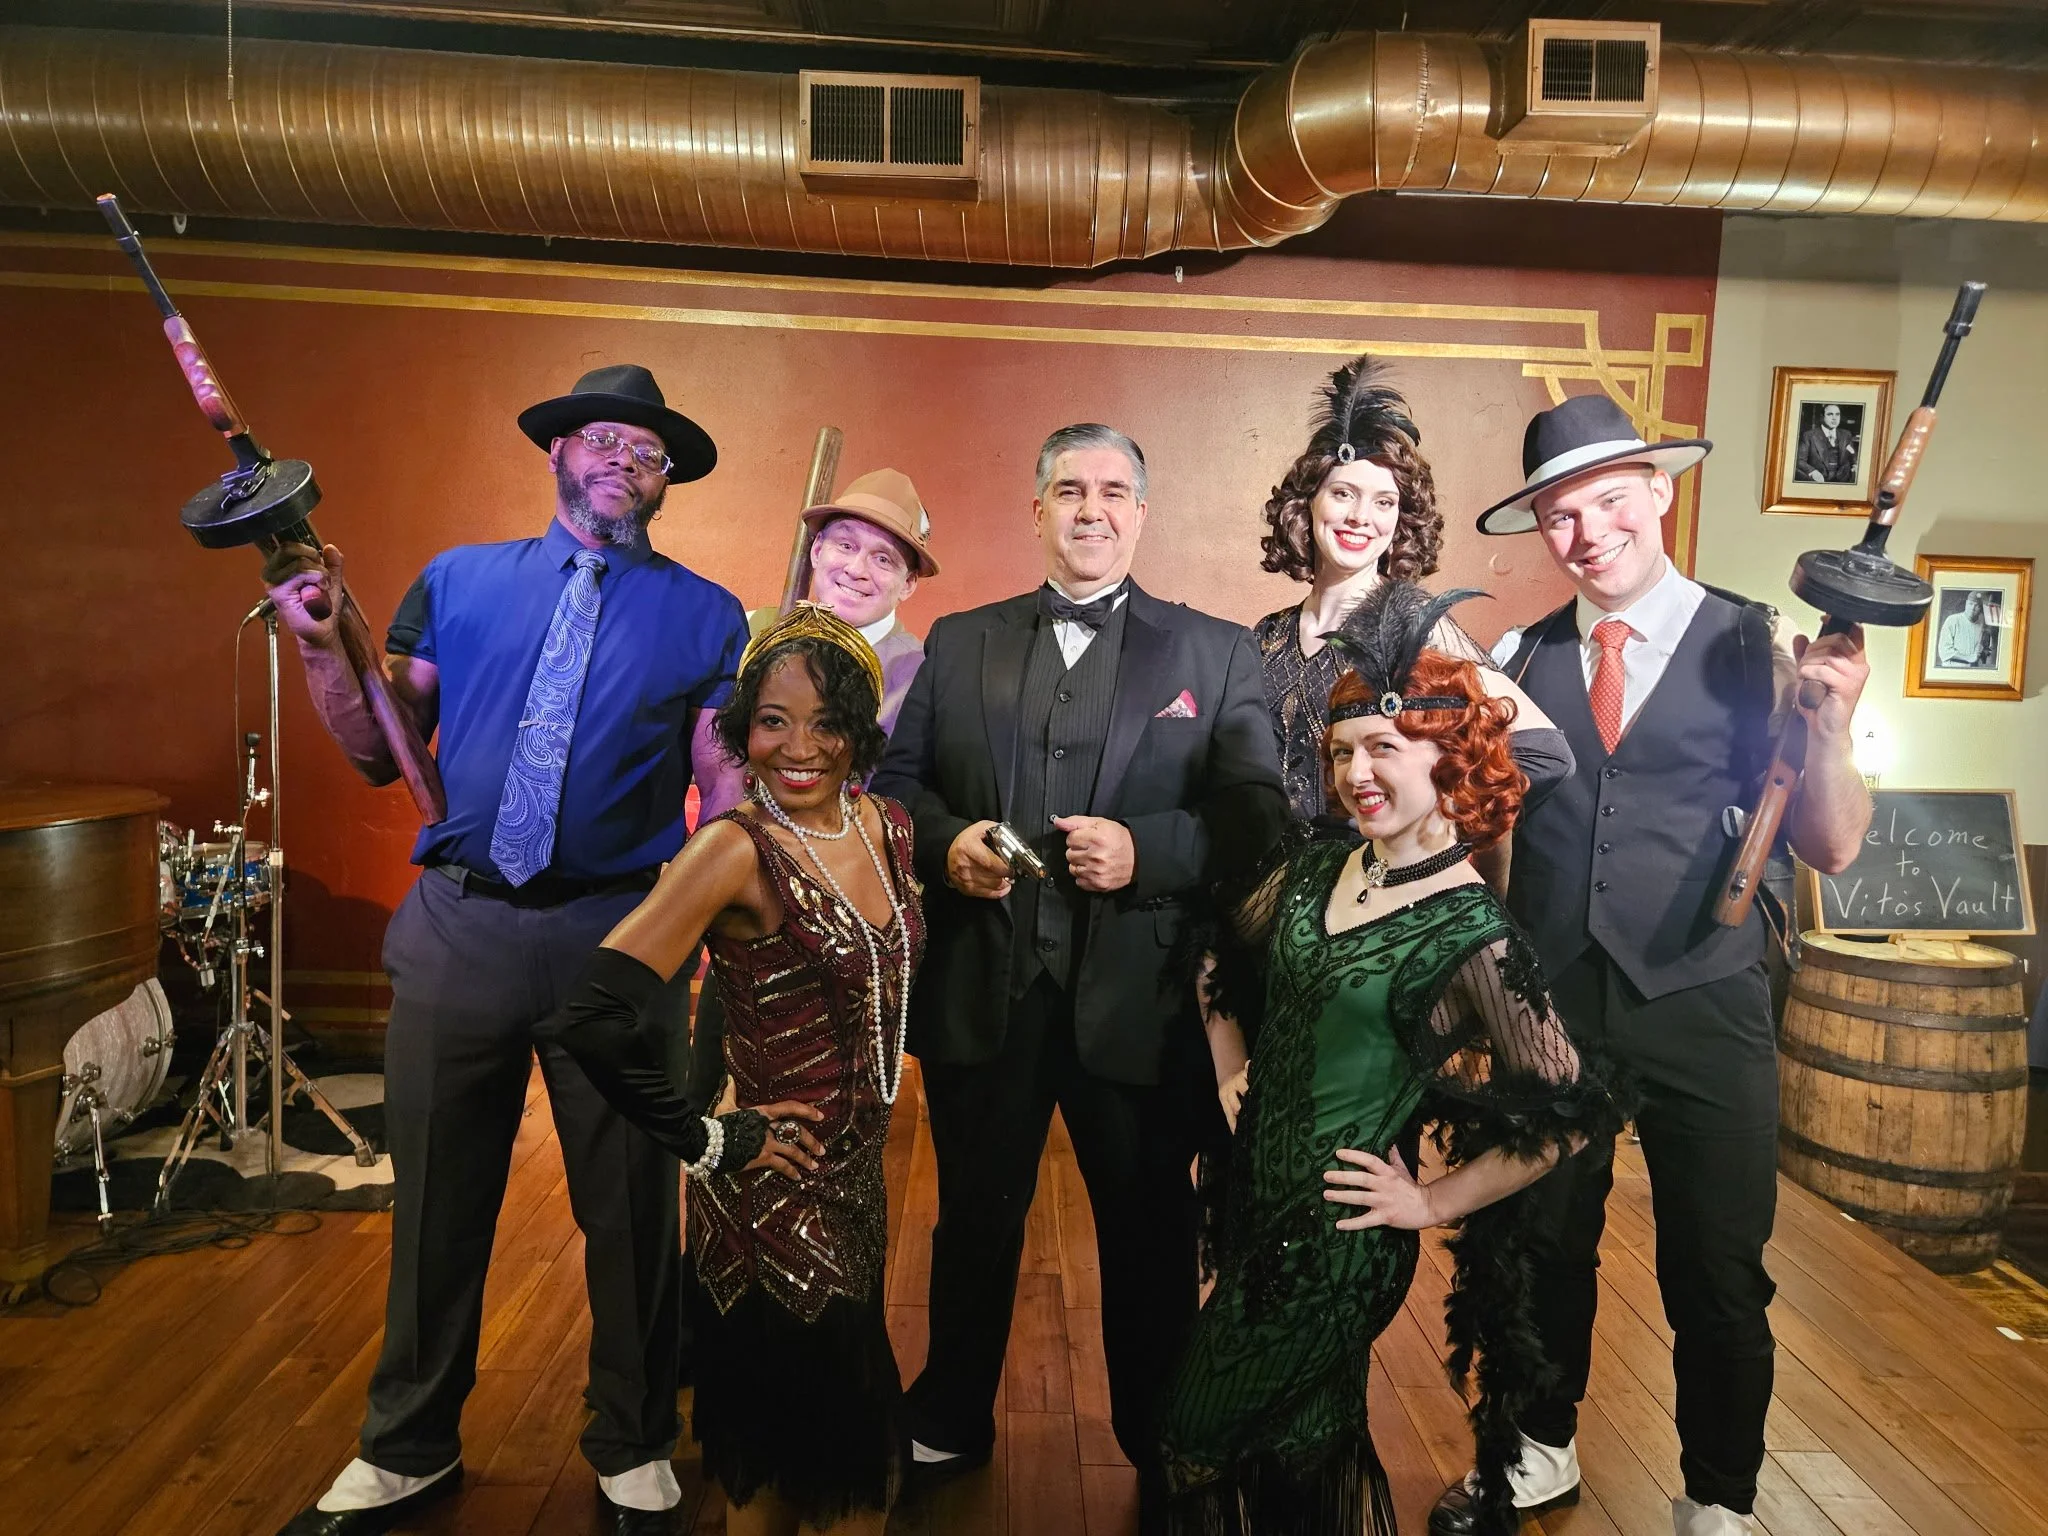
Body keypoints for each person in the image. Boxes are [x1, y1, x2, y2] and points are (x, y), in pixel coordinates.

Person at [264, 364, 750, 1536]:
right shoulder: (456, 581)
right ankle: (407, 1447)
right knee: (436, 1202)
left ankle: (633, 1443)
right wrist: (323, 646)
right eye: (606, 440)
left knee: (631, 1210)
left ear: (666, 482)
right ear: (557, 453)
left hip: (617, 939)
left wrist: (708, 928)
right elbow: (379, 746)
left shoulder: (708, 613)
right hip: (459, 929)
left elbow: (723, 788)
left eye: (649, 454)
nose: (626, 463)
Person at [1431, 394, 1873, 1536]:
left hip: (1705, 1003)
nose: (1587, 534)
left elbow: (1830, 845)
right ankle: (1535, 1450)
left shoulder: (1757, 646)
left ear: (1658, 492)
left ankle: (1718, 1498)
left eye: (1608, 501)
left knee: (1718, 1272)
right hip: (1548, 1009)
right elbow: (1484, 845)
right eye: (1559, 515)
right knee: (1537, 1246)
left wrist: (1828, 730)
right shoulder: (1517, 659)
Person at [871, 423, 1288, 1529]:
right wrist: (944, 845)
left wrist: (1150, 851)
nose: (1090, 509)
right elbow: (897, 789)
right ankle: (949, 1414)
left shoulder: (1215, 652)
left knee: (1149, 1233)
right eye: (1068, 490)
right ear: (1037, 510)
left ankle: (1158, 1434)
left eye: (1111, 491)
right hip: (986, 991)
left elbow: (1257, 813)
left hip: (1139, 1007)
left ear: (1140, 513)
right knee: (972, 1220)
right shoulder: (960, 640)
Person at [1162, 580, 1617, 1536]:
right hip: (1253, 1207)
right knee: (1303, 1446)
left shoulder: (1474, 933)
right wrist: (1230, 1061)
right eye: (1341, 753)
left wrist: (1435, 1203)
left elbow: (1572, 1110)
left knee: (1189, 1436)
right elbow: (1212, 947)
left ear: (1449, 756)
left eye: (1382, 749)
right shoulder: (1316, 867)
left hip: (1339, 1244)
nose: (1355, 774)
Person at [535, 603, 923, 1536]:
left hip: (856, 1184)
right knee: (821, 1466)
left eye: (826, 722)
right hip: (769, 1195)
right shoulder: (733, 849)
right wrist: (707, 1139)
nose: (800, 747)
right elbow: (591, 1016)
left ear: (860, 730)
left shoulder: (888, 827)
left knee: (810, 1458)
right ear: (744, 728)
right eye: (773, 721)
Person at [1249, 355, 1571, 839]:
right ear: (1307, 502)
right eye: (1343, 494)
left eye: (1384, 502)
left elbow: (1546, 753)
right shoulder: (1269, 635)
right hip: (1259, 877)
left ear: (1401, 520)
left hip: (1362, 874)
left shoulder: (1411, 622)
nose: (1361, 517)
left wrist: (1426, 819)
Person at [746, 468, 938, 736]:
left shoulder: (922, 677)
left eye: (883, 559)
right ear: (817, 550)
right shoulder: (750, 631)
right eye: (846, 545)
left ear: (907, 583)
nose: (856, 570)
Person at [1795, 402, 1859, 484]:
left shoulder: (1846, 434)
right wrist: (1813, 471)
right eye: (1830, 414)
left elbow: (1852, 454)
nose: (1834, 418)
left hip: (1844, 479)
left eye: (1837, 414)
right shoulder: (1809, 435)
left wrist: (1855, 465)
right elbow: (1799, 460)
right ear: (1822, 417)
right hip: (1820, 479)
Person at [1936, 590, 1994, 668]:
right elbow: (1944, 651)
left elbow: (1987, 646)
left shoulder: (1983, 621)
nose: (1972, 608)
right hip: (1952, 667)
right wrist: (1969, 657)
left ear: (1981, 609)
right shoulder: (1953, 620)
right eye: (1970, 604)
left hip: (1973, 669)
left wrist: (1984, 651)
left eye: (1977, 606)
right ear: (1966, 603)